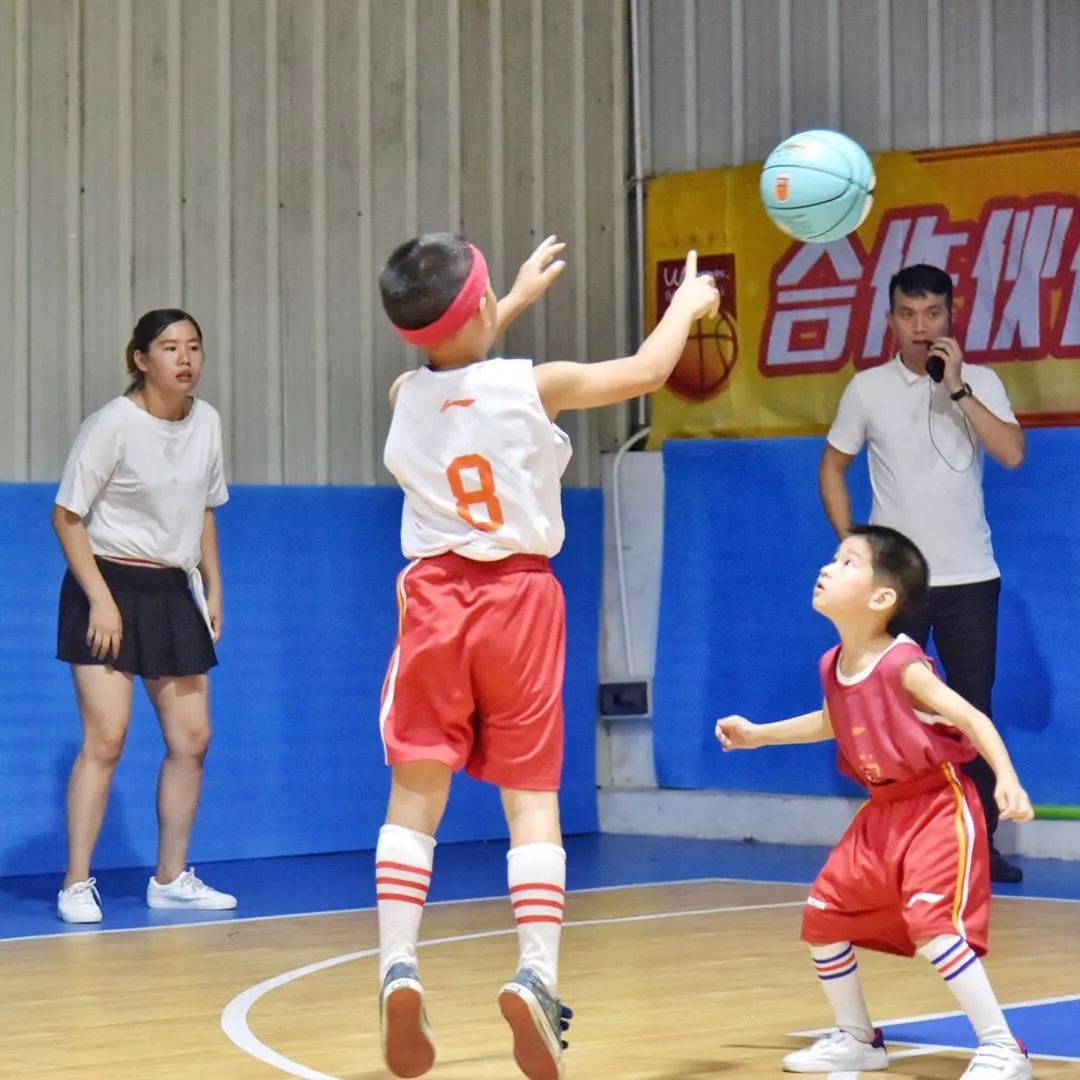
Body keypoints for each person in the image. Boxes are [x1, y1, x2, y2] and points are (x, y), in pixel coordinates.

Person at [373, 234, 718, 1079]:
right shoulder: (539, 385)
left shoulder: (402, 394)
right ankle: (535, 973)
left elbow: (451, 356)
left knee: (415, 793)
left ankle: (397, 965)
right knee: (531, 801)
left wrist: (509, 298)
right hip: (519, 600)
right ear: (483, 309)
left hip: (434, 599)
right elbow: (644, 371)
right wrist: (688, 304)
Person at [715, 525, 1034, 1079]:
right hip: (881, 811)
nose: (827, 567)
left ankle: (1003, 1047)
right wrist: (759, 734)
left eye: (845, 562)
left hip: (936, 805)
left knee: (933, 925)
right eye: (833, 559)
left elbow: (972, 717)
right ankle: (858, 1039)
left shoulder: (904, 665)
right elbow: (832, 720)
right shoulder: (834, 663)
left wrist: (1007, 778)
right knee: (825, 917)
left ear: (882, 597)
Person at [818, 263, 1027, 884]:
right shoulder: (866, 389)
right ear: (889, 320)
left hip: (970, 577)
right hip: (898, 584)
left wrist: (958, 388)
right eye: (907, 314)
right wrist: (853, 548)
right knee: (887, 710)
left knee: (969, 707)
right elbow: (831, 467)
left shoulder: (980, 380)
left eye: (932, 314)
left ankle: (978, 844)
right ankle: (900, 843)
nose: (919, 326)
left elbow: (1013, 454)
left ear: (950, 317)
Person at [52, 309, 236, 924]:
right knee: (106, 740)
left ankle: (171, 877)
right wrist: (101, 599)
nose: (184, 359)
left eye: (193, 347)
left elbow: (206, 508)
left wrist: (212, 587)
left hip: (171, 590)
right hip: (105, 584)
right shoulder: (112, 425)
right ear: (141, 359)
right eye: (168, 348)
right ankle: (76, 883)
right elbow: (67, 516)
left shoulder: (206, 421)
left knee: (193, 737)